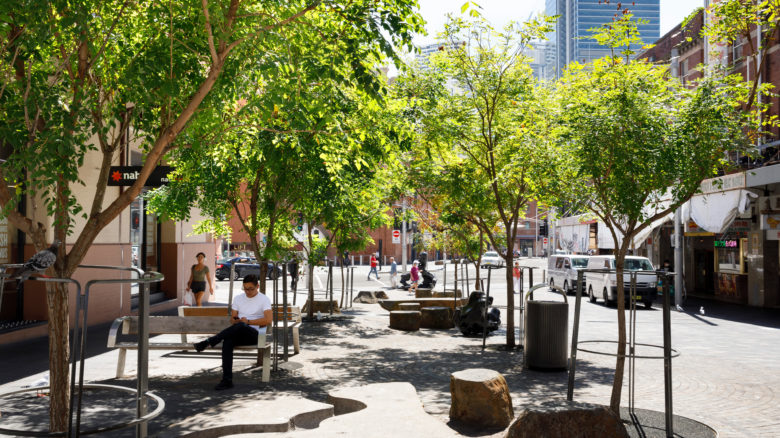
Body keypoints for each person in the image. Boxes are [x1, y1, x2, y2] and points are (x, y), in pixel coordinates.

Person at [194, 274, 272, 390]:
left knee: (242, 325)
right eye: (245, 288)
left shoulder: (264, 299)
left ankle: (210, 341)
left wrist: (248, 322)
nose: (248, 291)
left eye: (251, 289)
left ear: (258, 286)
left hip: (254, 334)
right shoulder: (238, 299)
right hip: (239, 331)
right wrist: (237, 320)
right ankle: (227, 380)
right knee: (228, 341)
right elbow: (232, 318)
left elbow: (268, 319)